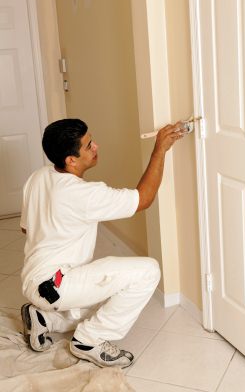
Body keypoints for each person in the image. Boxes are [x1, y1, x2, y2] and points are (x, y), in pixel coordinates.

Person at [20, 118, 184, 369]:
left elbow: (26, 228)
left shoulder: (39, 176)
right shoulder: (82, 194)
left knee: (106, 288)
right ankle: (89, 340)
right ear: (71, 160)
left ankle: (44, 318)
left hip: (36, 278)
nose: (96, 146)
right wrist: (160, 149)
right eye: (88, 146)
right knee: (148, 271)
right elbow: (143, 199)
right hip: (55, 285)